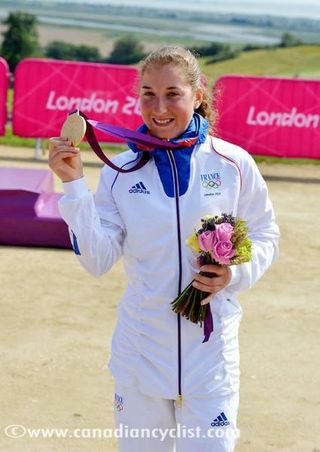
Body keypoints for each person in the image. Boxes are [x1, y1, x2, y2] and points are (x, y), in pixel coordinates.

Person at [48, 46, 279, 452]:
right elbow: (98, 260)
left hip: (211, 356)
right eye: (148, 94)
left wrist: (234, 274)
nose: (159, 108)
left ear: (197, 93)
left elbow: (265, 234)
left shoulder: (233, 164)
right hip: (141, 354)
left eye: (172, 93)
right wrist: (74, 186)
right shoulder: (120, 172)